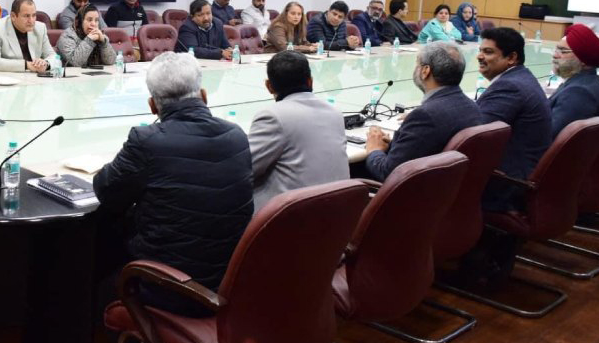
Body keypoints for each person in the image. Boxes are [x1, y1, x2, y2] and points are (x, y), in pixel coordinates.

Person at [93, 51, 253, 316]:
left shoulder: (147, 141)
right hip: (231, 280)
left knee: (99, 258)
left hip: (172, 287)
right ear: (203, 95)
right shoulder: (236, 136)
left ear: (153, 106)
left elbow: (106, 192)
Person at [364, 42, 481, 181]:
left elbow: (388, 173)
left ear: (425, 71)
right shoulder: (472, 107)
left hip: (415, 197)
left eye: (417, 64)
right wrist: (397, 144)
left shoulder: (426, 116)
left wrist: (374, 149)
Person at [248, 51, 348, 209]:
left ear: (269, 86)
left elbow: (246, 170)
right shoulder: (335, 113)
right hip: (336, 215)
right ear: (311, 82)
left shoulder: (273, 116)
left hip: (289, 218)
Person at [476, 27, 551, 212]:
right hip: (522, 172)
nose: (479, 56)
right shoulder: (521, 77)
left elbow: (473, 133)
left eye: (488, 52)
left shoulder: (510, 86)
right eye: (480, 50)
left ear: (511, 58)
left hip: (508, 184)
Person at [548, 24, 599, 138]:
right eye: (556, 49)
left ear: (583, 58)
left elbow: (548, 135)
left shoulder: (578, 93)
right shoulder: (593, 82)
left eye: (563, 51)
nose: (555, 55)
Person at [0, 0, 55, 72]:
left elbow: (54, 57)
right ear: (13, 16)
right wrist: (27, 65)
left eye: (34, 15)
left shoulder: (40, 28)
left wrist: (46, 63)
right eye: (26, 16)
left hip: (30, 78)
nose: (31, 21)